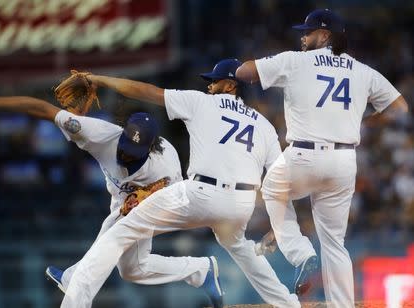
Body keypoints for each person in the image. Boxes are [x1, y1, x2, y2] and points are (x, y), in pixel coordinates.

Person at [53, 58, 303, 308]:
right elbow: (280, 179)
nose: (210, 86)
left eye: (215, 82)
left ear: (230, 85)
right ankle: (288, 304)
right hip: (240, 205)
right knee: (241, 248)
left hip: (200, 193)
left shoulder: (201, 102)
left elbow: (146, 91)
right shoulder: (265, 126)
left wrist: (101, 79)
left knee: (119, 232)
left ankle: (74, 303)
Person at [0, 96, 223, 307]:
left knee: (109, 244)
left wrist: (144, 200)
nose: (124, 154)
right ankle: (200, 269)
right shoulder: (100, 134)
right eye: (124, 147)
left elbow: (175, 203)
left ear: (150, 149)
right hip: (120, 197)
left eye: (133, 154)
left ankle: (75, 285)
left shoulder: (164, 166)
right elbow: (45, 109)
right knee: (132, 269)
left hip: (153, 204)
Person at [235, 8, 409, 308]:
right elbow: (400, 108)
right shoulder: (362, 70)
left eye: (308, 31)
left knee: (273, 190)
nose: (303, 36)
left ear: (325, 35)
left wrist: (260, 68)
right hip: (343, 161)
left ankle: (301, 252)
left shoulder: (296, 60)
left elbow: (243, 72)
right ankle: (341, 304)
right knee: (334, 243)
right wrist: (367, 121)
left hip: (303, 155)